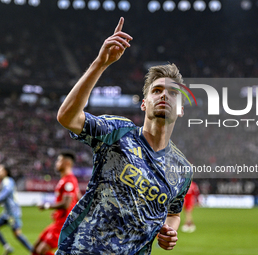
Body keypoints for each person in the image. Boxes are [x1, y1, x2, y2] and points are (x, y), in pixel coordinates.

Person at [55, 17, 192, 255]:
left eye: (173, 93)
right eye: (157, 90)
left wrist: (170, 231)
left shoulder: (182, 169)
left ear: (181, 109)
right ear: (144, 104)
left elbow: (174, 212)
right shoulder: (118, 132)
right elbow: (68, 118)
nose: (164, 96)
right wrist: (100, 63)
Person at [32, 151, 80, 255]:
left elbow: (66, 204)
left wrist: (46, 206)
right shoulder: (66, 180)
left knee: (41, 250)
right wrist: (58, 213)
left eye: (59, 160)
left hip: (63, 224)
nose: (56, 163)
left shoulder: (69, 181)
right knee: (35, 248)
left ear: (67, 163)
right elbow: (79, 199)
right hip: (58, 221)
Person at [0, 163, 33, 255]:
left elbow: (6, 192)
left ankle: (33, 251)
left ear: (5, 172)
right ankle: (7, 247)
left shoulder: (8, 181)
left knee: (17, 234)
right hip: (6, 213)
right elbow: (7, 196)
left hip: (13, 213)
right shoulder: (5, 181)